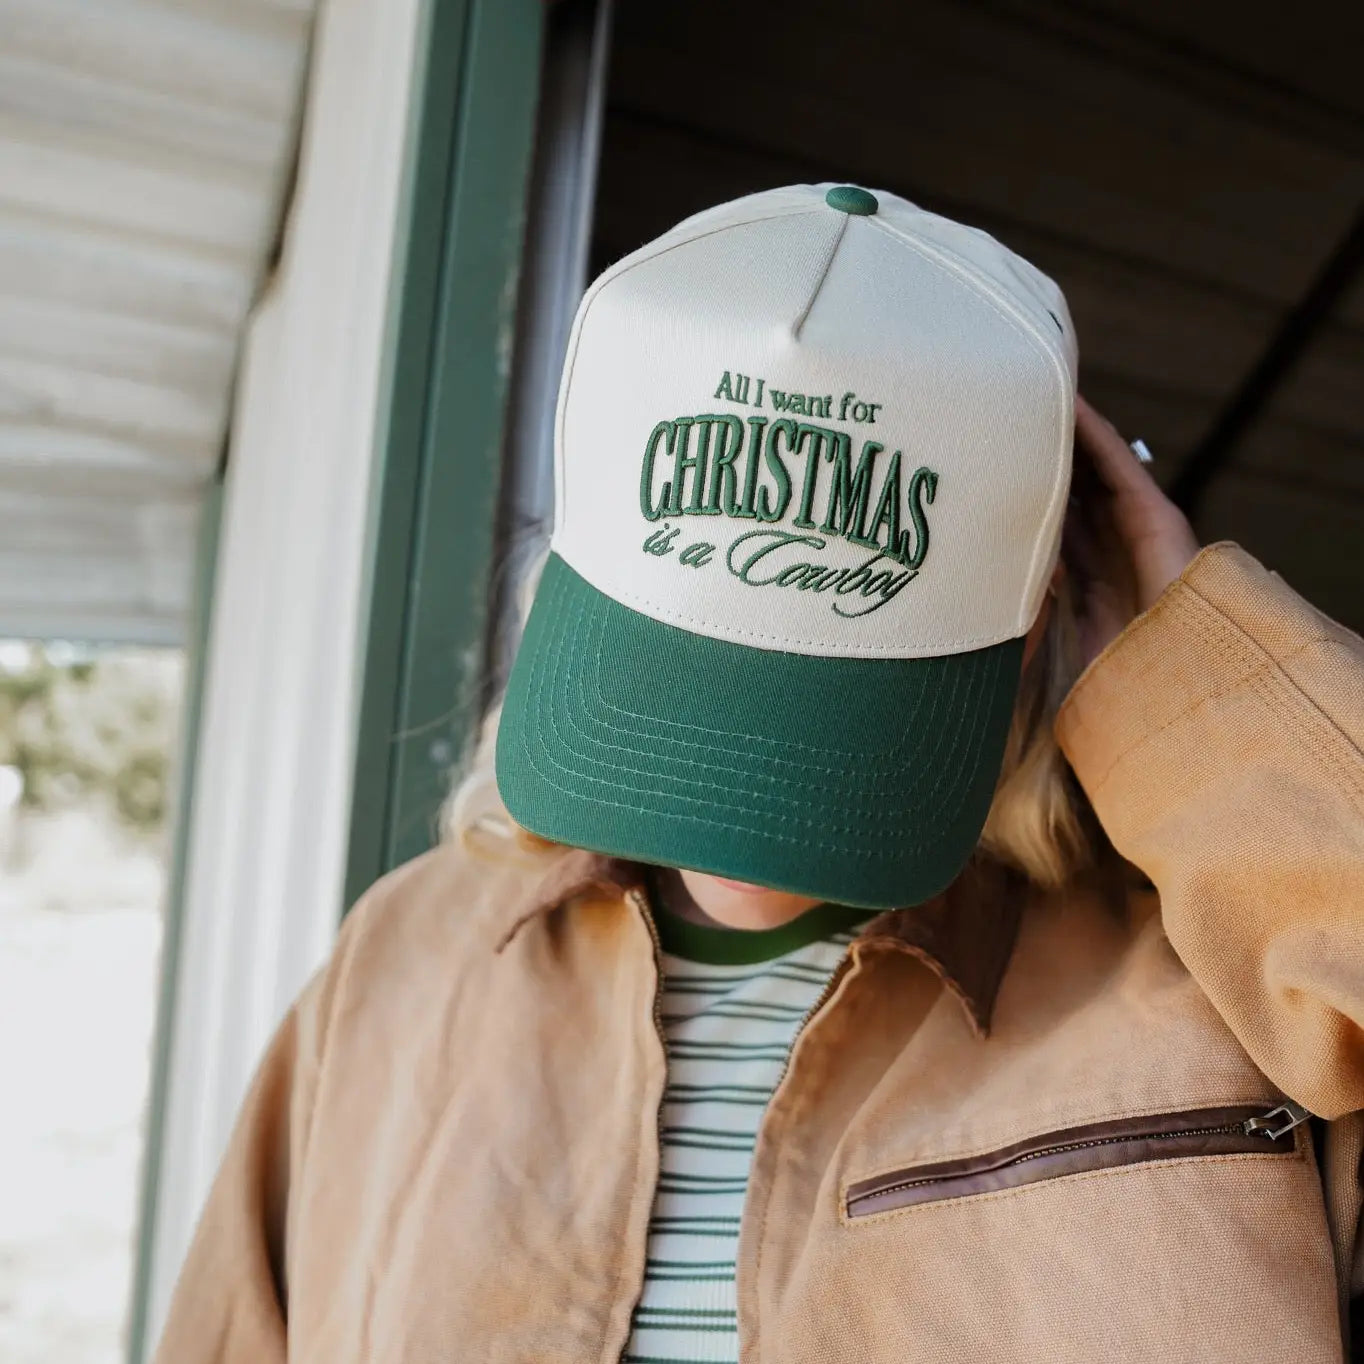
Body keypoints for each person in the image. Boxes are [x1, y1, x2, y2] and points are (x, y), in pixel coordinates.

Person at [154, 186, 1364, 1364]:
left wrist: (1191, 670)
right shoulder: (401, 956)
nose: (734, 816)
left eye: (834, 708)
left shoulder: (1213, 974)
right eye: (678, 680)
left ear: (1036, 615)